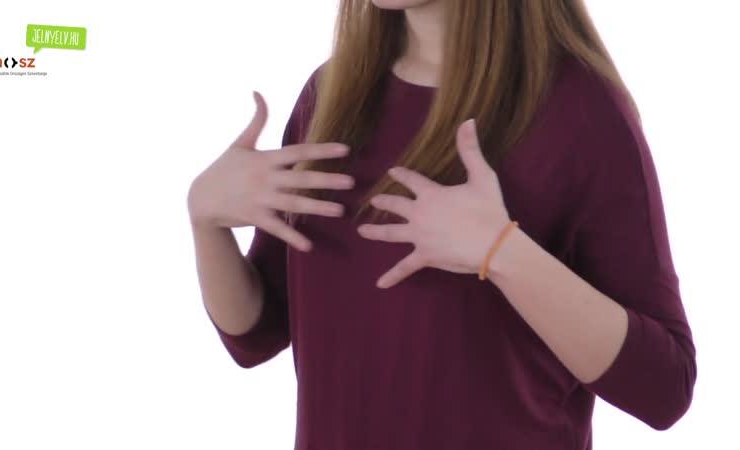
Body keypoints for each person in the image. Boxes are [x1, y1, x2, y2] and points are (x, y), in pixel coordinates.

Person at [186, 1, 697, 448]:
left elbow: (664, 388)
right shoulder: (332, 96)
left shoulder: (581, 112)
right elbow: (258, 334)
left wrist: (504, 253)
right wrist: (206, 221)